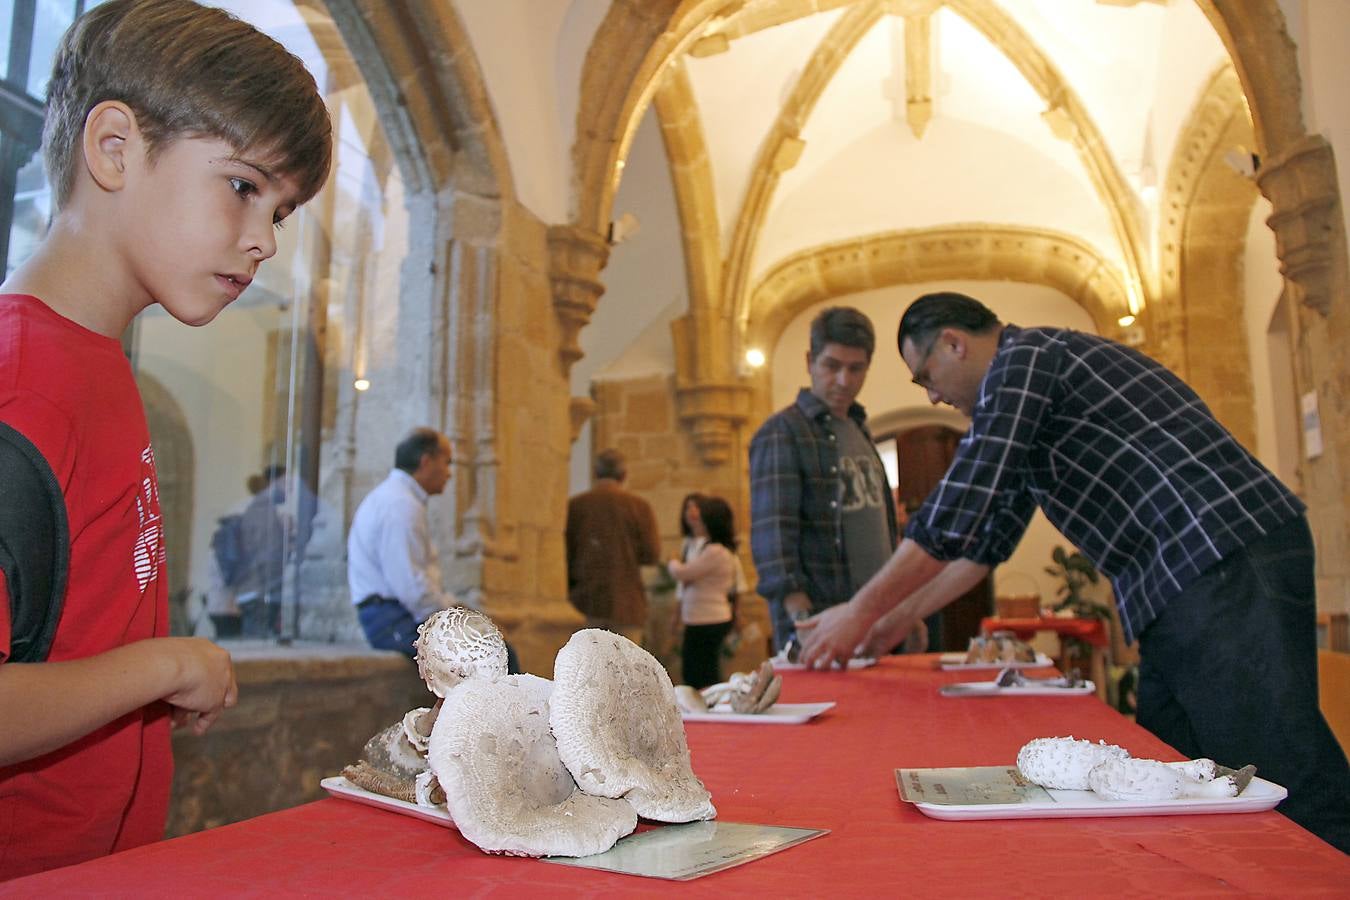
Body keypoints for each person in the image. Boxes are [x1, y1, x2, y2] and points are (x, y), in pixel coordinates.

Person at [798, 290, 1350, 852]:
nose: (935, 397)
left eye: (926, 378)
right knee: (1167, 772)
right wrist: (894, 621)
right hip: (1183, 575)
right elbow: (984, 546)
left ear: (953, 343)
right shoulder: (1025, 396)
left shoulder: (1023, 360)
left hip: (1219, 551)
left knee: (1278, 766)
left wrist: (860, 610)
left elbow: (957, 507)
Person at [0, 0, 332, 878]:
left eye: (282, 212)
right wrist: (163, 664)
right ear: (114, 149)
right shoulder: (22, 383)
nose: (263, 241)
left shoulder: (95, 365)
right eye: (243, 187)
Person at [749, 306, 928, 654]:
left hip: (875, 617)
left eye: (856, 368)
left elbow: (883, 536)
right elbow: (774, 539)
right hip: (820, 622)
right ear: (809, 361)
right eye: (832, 366)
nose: (844, 380)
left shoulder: (860, 428)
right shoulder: (783, 432)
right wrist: (801, 620)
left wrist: (902, 610)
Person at [347, 428, 520, 672]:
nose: (449, 473)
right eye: (446, 463)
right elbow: (410, 587)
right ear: (425, 462)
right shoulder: (400, 505)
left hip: (395, 615)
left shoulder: (400, 500)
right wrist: (454, 622)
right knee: (496, 655)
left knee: (494, 646)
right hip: (392, 620)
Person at [565, 448, 661, 646]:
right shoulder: (639, 506)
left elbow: (565, 553)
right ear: (624, 475)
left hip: (585, 601)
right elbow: (651, 553)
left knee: (587, 667)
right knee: (628, 669)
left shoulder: (576, 506)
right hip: (626, 602)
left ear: (595, 473)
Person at [667, 496, 738, 689]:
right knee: (694, 670)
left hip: (709, 618)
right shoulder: (705, 548)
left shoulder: (716, 551)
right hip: (700, 618)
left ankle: (708, 714)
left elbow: (682, 573)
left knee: (702, 673)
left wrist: (673, 560)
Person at [234, 464, 292, 639]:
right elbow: (269, 554)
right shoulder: (262, 511)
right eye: (285, 483)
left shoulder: (262, 509)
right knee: (257, 642)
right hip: (260, 590)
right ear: (272, 483)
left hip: (258, 589)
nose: (289, 488)